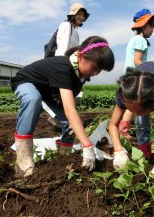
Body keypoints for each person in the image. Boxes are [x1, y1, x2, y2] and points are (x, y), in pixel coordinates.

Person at [10, 36, 115, 178]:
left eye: (100, 70)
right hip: (27, 82)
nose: (96, 73)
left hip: (47, 90)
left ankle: (63, 158)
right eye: (95, 67)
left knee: (69, 123)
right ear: (82, 56)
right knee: (33, 99)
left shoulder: (80, 75)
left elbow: (69, 111)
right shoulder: (64, 68)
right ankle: (23, 161)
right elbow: (70, 108)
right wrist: (87, 145)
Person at [43, 3, 90, 127]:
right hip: (63, 63)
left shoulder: (75, 31)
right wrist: (62, 65)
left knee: (73, 94)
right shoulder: (66, 25)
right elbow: (62, 47)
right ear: (72, 14)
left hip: (70, 64)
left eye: (83, 15)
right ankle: (61, 119)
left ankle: (60, 118)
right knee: (65, 93)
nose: (81, 17)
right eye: (79, 14)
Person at [119, 8, 154, 140]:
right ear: (142, 25)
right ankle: (124, 128)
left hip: (129, 75)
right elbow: (137, 60)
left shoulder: (134, 39)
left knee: (131, 103)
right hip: (135, 77)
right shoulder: (141, 40)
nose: (153, 29)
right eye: (151, 25)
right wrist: (151, 72)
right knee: (136, 104)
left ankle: (123, 127)